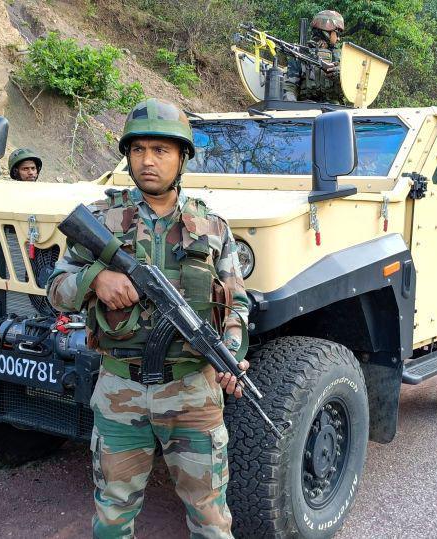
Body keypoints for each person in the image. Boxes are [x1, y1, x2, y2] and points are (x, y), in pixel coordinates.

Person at [46, 98, 249, 539]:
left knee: (212, 521)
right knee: (112, 520)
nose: (148, 161)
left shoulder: (212, 227)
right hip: (121, 390)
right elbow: (56, 292)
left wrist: (231, 353)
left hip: (194, 392)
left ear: (182, 159)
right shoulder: (103, 220)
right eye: (138, 150)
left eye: (161, 150)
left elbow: (236, 304)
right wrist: (96, 279)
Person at [282, 10, 345, 103]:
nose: (338, 38)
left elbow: (355, 88)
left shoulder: (342, 57)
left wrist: (342, 77)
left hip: (336, 110)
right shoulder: (301, 54)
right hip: (307, 110)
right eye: (337, 33)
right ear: (326, 32)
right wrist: (292, 109)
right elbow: (290, 87)